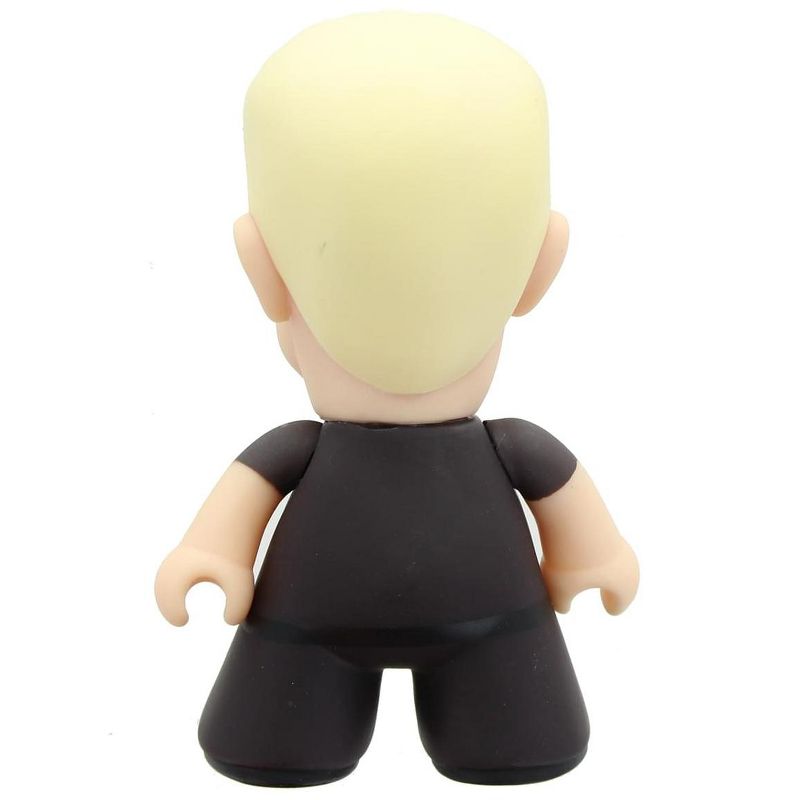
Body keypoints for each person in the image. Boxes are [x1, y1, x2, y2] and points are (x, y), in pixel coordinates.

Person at [155, 11, 639, 787]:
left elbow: (569, 507)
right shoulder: (312, 449)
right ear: (540, 267)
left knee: (517, 740)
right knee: (274, 742)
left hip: (476, 626)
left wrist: (593, 556)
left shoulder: (509, 446)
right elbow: (234, 513)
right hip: (318, 626)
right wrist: (210, 557)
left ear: (264, 274)